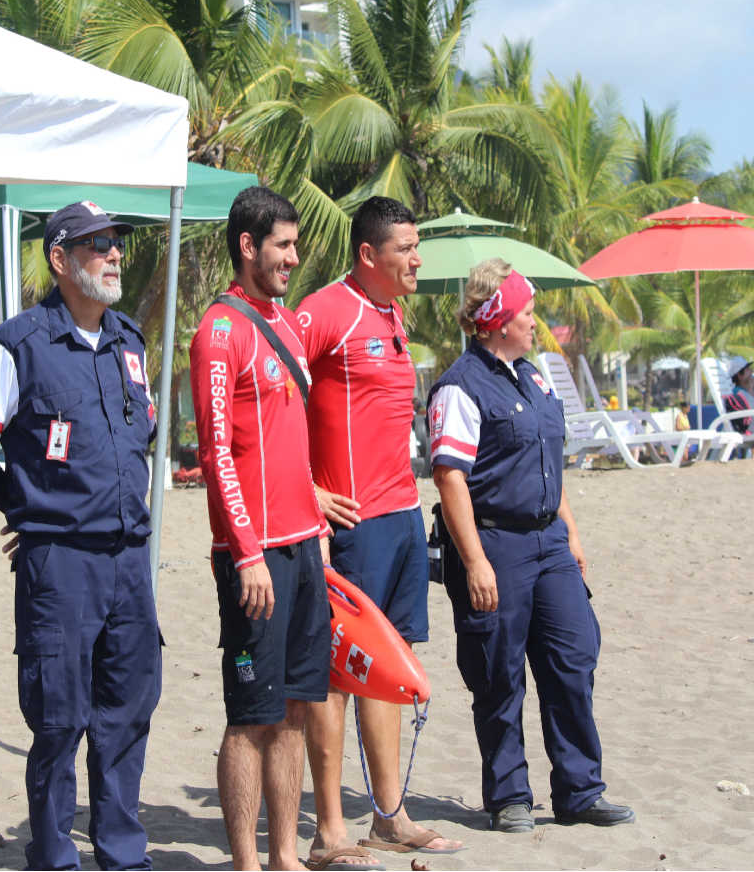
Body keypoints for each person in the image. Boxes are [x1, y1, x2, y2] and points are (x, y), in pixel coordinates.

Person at [0, 200, 162, 870]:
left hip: (130, 563)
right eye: (98, 245)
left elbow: (143, 438)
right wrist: (26, 507)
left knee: (125, 717)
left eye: (116, 244)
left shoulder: (131, 344)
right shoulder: (18, 345)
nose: (114, 255)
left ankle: (123, 856)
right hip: (61, 566)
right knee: (58, 721)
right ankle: (53, 858)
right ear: (60, 260)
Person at [427, 258, 634, 833]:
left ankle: (580, 790)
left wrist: (570, 532)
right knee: (498, 675)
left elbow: (551, 463)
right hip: (495, 542)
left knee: (574, 658)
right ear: (496, 320)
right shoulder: (459, 388)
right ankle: (509, 796)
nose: (535, 324)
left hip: (549, 543)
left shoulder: (535, 377)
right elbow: (450, 480)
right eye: (526, 313)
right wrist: (474, 562)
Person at [295, 197, 462, 869]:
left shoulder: (393, 315)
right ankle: (329, 828)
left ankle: (388, 816)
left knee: (388, 669)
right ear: (369, 255)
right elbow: (267, 391)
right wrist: (306, 491)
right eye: (406, 248)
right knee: (338, 674)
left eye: (417, 246)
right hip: (350, 523)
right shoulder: (326, 311)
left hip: (400, 518)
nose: (417, 258)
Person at [189, 186, 332, 871]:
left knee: (297, 711)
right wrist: (246, 552)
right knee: (252, 714)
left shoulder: (291, 325)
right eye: (282, 246)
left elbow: (290, 440)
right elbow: (216, 451)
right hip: (255, 555)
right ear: (248, 246)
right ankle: (247, 862)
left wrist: (317, 521)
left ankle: (285, 858)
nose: (293, 258)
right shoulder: (220, 332)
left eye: (295, 246)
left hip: (304, 546)